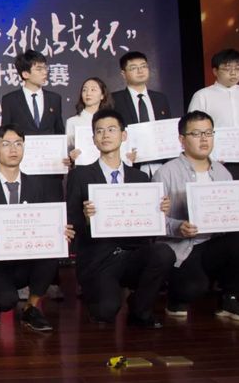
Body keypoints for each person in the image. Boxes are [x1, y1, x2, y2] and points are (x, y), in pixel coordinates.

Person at [66, 109, 175, 328]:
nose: (105, 135)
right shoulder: (80, 175)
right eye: (99, 131)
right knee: (105, 312)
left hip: (133, 254)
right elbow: (72, 224)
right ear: (93, 139)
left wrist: (159, 212)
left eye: (111, 129)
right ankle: (99, 297)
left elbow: (149, 230)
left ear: (123, 135)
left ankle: (140, 309)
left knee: (164, 253)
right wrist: (87, 220)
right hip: (99, 258)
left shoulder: (140, 177)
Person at [0, 124, 74, 331]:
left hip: (26, 261)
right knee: (6, 301)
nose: (13, 149)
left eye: (18, 143)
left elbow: (46, 223)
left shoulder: (38, 186)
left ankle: (31, 308)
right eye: (6, 144)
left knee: (52, 251)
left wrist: (60, 233)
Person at [153, 111, 239, 320]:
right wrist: (178, 226)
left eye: (208, 133)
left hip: (214, 244)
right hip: (184, 248)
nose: (204, 139)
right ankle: (176, 297)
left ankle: (229, 299)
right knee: (192, 289)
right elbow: (154, 221)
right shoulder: (166, 172)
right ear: (182, 140)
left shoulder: (223, 172)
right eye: (196, 134)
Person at [1, 49, 67, 300]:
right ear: (25, 73)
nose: (45, 72)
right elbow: (7, 133)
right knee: (25, 223)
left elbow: (59, 132)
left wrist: (64, 155)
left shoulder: (54, 99)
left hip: (51, 173)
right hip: (24, 172)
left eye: (45, 67)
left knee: (53, 223)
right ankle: (22, 281)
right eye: (39, 68)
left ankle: (52, 280)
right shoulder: (10, 99)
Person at [188, 48, 239, 180]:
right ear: (215, 71)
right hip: (218, 160)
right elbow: (193, 129)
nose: (233, 73)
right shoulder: (203, 95)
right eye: (227, 69)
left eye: (238, 68)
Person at [111, 51, 172, 177]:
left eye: (143, 66)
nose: (140, 71)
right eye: (134, 68)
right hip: (130, 165)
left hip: (161, 165)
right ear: (123, 74)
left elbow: (168, 131)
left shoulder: (160, 98)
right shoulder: (114, 100)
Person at [66, 77, 113, 162]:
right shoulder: (72, 122)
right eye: (84, 90)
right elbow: (67, 151)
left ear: (102, 95)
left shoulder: (111, 121)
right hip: (82, 167)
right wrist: (71, 157)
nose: (88, 93)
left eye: (93, 90)